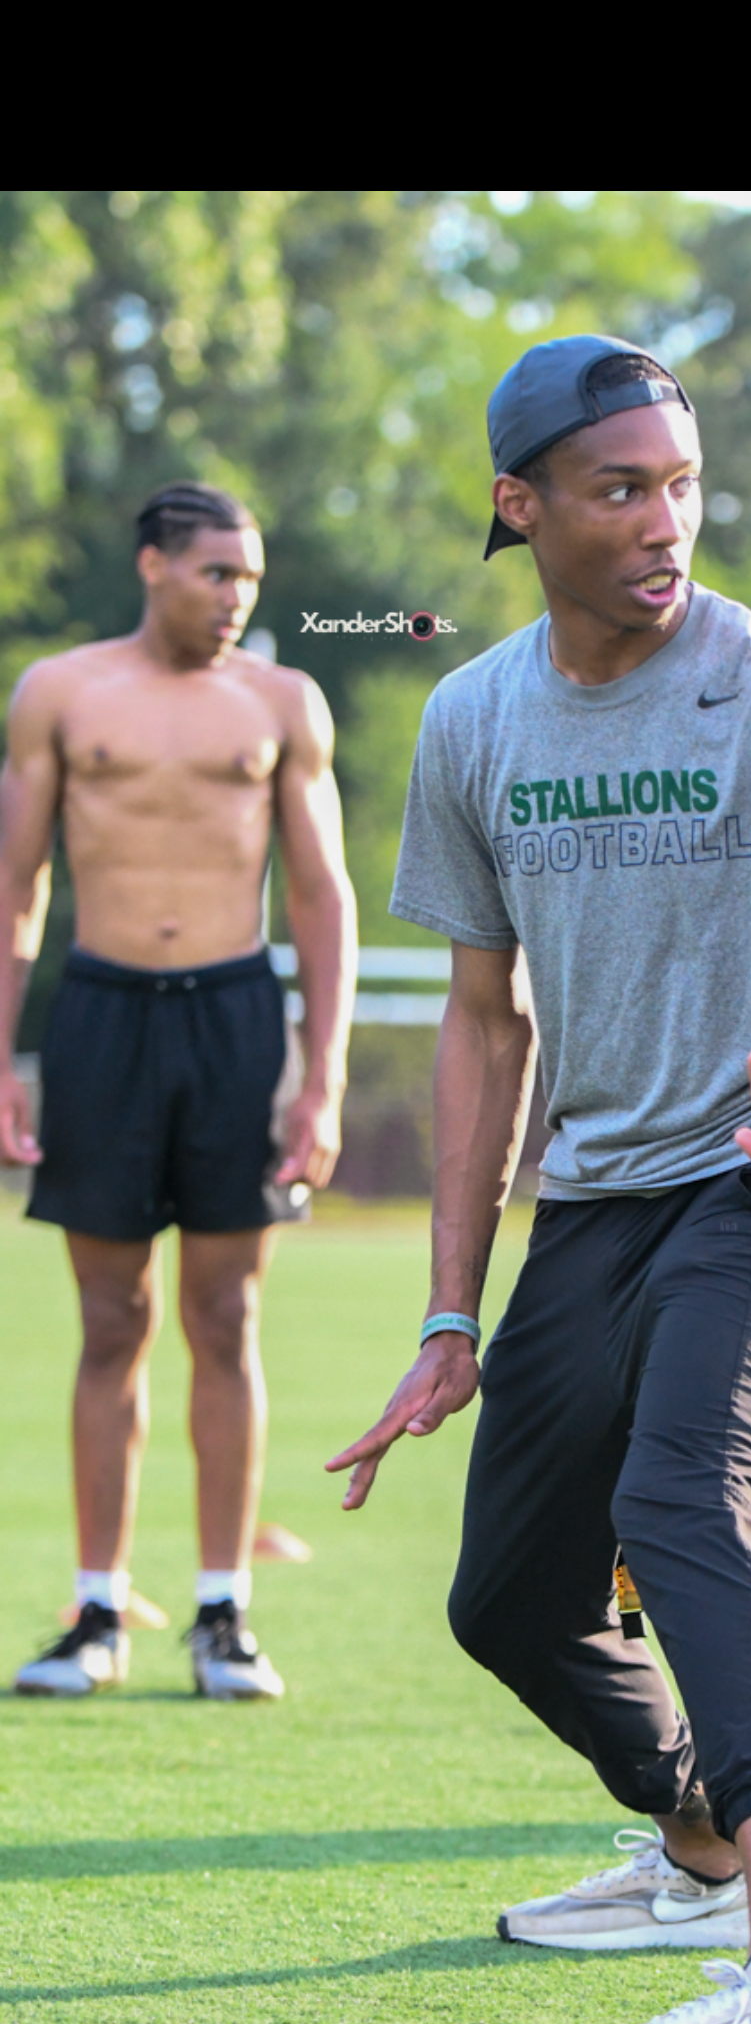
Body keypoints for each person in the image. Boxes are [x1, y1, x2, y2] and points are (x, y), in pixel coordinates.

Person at [328, 338, 751, 2024]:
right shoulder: (474, 719)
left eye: (682, 484)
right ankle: (701, 1842)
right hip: (594, 1204)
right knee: (511, 1599)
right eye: (621, 489)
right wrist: (451, 1313)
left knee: (683, 1500)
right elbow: (481, 1022)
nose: (666, 521)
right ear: (520, 506)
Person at [0, 481, 356, 1698]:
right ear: (153, 565)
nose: (235, 597)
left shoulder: (281, 702)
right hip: (101, 1016)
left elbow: (320, 896)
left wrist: (323, 1076)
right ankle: (96, 1610)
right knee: (110, 1322)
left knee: (226, 1318)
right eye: (216, 573)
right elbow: (17, 889)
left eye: (249, 577)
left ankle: (222, 1612)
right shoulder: (59, 692)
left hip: (235, 1019)